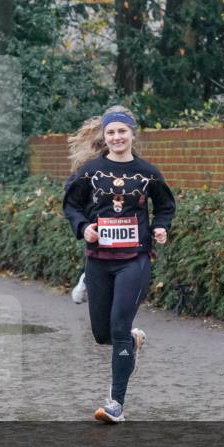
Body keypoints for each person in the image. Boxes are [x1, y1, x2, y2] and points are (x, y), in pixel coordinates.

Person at [63, 106, 175, 424]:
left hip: (134, 260)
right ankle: (132, 342)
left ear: (132, 134)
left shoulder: (147, 173)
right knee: (102, 335)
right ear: (104, 136)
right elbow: (71, 204)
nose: (116, 137)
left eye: (122, 131)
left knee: (119, 327)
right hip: (98, 260)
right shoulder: (90, 171)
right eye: (111, 132)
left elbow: (165, 205)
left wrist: (160, 227)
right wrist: (83, 227)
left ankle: (116, 404)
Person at [65, 116, 104, 305]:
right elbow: (71, 195)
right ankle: (87, 279)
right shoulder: (87, 168)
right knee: (98, 254)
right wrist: (83, 224)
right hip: (94, 220)